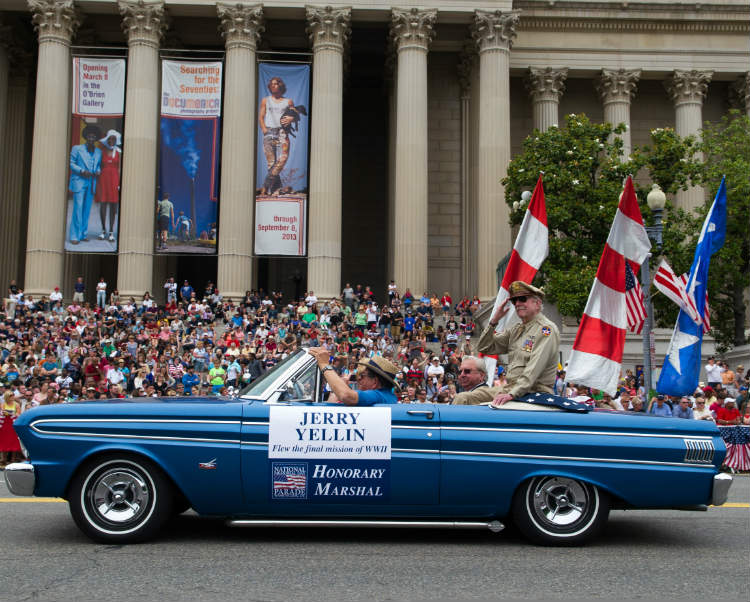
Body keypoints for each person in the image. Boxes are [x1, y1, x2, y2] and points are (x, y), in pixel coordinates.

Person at [478, 281, 559, 408]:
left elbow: (534, 368)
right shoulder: (516, 330)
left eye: (522, 299)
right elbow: (484, 347)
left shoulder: (546, 330)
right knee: (464, 397)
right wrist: (493, 321)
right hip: (510, 389)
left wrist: (512, 394)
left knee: (467, 399)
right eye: (514, 301)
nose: (518, 304)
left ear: (537, 304)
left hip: (533, 392)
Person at [309, 347, 398, 406]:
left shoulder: (378, 395)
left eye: (362, 376)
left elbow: (346, 396)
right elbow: (331, 408)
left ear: (375, 382)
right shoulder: (388, 396)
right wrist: (338, 387)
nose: (358, 379)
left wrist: (324, 364)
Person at [258, 76, 296, 196]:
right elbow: (261, 116)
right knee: (271, 163)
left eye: (276, 84)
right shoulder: (265, 100)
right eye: (272, 84)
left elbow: (295, 114)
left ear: (280, 85)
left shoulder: (288, 101)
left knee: (282, 159)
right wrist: (264, 129)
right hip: (269, 131)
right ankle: (276, 190)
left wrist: (291, 118)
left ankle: (265, 186)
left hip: (282, 133)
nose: (274, 86)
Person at [68, 124, 102, 245]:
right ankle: (74, 236)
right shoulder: (77, 149)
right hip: (79, 181)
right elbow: (71, 163)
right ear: (85, 137)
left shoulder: (98, 151)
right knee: (78, 208)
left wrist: (98, 171)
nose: (91, 139)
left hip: (91, 182)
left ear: (96, 138)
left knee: (86, 210)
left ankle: (82, 234)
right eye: (89, 136)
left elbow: (98, 165)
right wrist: (82, 171)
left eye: (93, 137)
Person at [95, 129, 121, 242]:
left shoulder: (119, 152)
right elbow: (98, 165)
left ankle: (111, 232)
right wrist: (97, 171)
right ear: (107, 140)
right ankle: (103, 230)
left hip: (114, 180)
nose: (111, 141)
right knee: (103, 205)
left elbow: (119, 169)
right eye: (110, 139)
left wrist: (119, 184)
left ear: (116, 140)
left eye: (113, 139)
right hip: (103, 180)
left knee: (113, 207)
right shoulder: (102, 151)